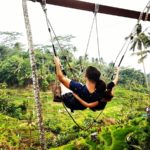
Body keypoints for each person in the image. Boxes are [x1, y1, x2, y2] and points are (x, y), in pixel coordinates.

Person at [53, 56, 120, 112]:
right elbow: (115, 81)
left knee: (63, 82)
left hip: (69, 101)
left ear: (86, 77)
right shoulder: (100, 92)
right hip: (82, 107)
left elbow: (61, 78)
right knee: (72, 83)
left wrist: (57, 63)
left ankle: (61, 69)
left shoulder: (79, 88)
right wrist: (117, 72)